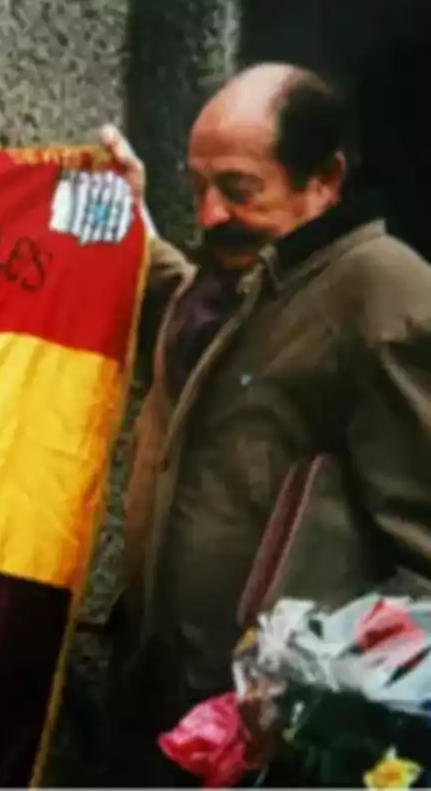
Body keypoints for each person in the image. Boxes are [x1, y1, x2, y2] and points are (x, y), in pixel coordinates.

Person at [95, 63, 431, 785]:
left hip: (274, 749)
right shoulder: (248, 277)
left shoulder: (381, 292)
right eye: (198, 187)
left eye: (239, 190)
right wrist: (132, 216)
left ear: (326, 180)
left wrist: (324, 716)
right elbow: (186, 307)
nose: (211, 212)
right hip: (168, 711)